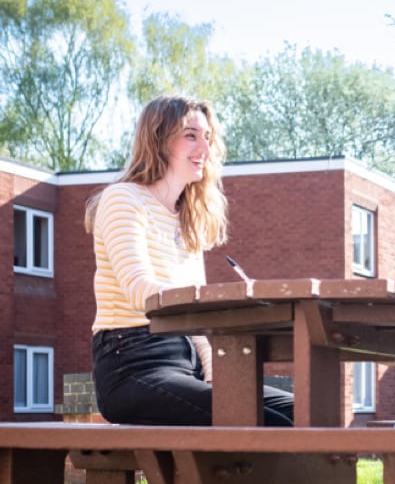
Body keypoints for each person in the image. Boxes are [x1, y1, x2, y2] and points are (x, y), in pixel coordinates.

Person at [84, 95, 294, 426]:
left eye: (207, 138)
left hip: (187, 364)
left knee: (300, 412)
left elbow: (197, 328)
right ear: (158, 139)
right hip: (133, 365)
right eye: (191, 135)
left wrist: (214, 379)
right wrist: (207, 303)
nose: (204, 150)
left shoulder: (188, 218)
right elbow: (141, 291)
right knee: (267, 423)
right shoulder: (124, 199)